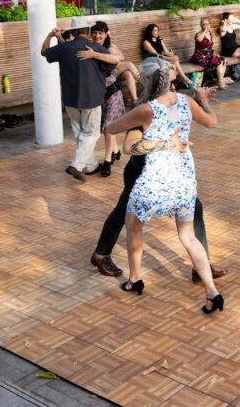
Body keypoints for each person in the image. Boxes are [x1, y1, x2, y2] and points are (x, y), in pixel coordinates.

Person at [90, 58, 226, 284]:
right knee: (124, 212)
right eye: (169, 78)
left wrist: (199, 102)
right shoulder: (143, 108)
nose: (172, 85)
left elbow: (205, 120)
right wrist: (167, 142)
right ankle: (101, 254)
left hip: (169, 172)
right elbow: (128, 145)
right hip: (142, 171)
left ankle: (200, 265)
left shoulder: (178, 101)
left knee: (195, 208)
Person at [42, 16, 113, 181]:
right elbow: (111, 66)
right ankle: (76, 165)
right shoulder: (97, 49)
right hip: (91, 99)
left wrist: (50, 36)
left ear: (73, 32)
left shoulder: (64, 48)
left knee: (80, 134)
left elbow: (44, 52)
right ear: (87, 31)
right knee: (91, 134)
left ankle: (90, 165)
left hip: (70, 99)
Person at [74, 22, 141, 177]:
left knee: (108, 129)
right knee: (105, 130)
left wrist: (94, 55)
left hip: (113, 94)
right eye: (95, 33)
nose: (97, 36)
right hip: (98, 96)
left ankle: (107, 161)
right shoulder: (88, 48)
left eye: (100, 33)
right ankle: (115, 151)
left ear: (106, 34)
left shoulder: (107, 49)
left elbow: (118, 59)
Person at [190, 17, 229, 90]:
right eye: (203, 24)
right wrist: (204, 31)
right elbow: (199, 39)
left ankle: (220, 80)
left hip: (208, 55)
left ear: (209, 24)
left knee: (223, 60)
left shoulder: (210, 34)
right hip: (200, 56)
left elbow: (209, 48)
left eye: (207, 24)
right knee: (219, 61)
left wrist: (215, 54)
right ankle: (221, 82)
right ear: (201, 25)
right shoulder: (199, 34)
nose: (205, 26)